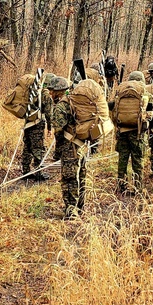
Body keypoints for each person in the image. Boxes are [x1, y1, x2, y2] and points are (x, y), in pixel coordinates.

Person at [49, 76, 87, 219]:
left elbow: (58, 131)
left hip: (69, 147)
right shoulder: (74, 100)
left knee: (69, 178)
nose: (50, 94)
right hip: (81, 145)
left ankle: (71, 212)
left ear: (58, 91)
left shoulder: (61, 106)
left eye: (52, 91)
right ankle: (80, 208)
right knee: (81, 176)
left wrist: (57, 152)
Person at [112, 71, 153, 193]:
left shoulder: (120, 93)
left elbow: (113, 111)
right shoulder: (146, 94)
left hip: (122, 131)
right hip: (138, 133)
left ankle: (121, 185)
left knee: (123, 158)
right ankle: (138, 186)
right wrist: (148, 128)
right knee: (138, 160)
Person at [22, 72, 54, 181]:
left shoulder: (34, 90)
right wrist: (50, 128)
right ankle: (38, 173)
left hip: (27, 122)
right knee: (38, 148)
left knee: (27, 147)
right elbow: (49, 114)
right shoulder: (46, 95)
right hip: (37, 124)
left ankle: (25, 171)